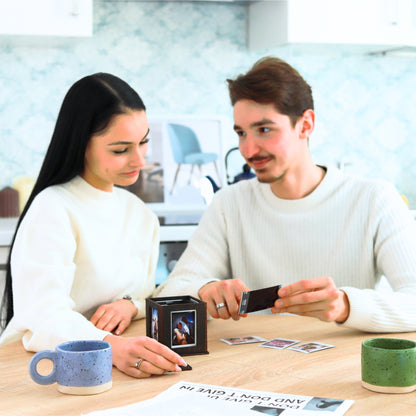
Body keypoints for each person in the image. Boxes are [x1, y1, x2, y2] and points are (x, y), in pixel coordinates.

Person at [155, 56, 416, 333]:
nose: (249, 150)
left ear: (305, 125)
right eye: (242, 133)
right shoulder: (229, 203)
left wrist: (345, 305)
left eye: (264, 130)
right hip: (257, 367)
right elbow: (168, 294)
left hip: (344, 368)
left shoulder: (375, 198)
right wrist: (205, 289)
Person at [0, 73, 187, 378]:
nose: (140, 160)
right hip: (38, 369)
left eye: (143, 142)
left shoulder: (141, 215)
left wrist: (130, 307)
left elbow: (144, 296)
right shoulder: (54, 207)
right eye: (120, 149)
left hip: (104, 368)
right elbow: (43, 314)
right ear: (80, 144)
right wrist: (111, 345)